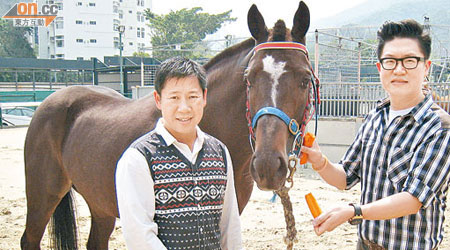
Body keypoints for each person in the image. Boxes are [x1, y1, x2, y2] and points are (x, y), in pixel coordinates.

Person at [301, 19, 450, 250]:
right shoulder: (375, 117)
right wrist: (320, 162)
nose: (399, 70)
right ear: (380, 68)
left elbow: (412, 199)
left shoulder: (439, 127)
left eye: (410, 61)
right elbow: (345, 177)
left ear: (426, 66)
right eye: (390, 61)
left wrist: (354, 211)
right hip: (365, 244)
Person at [115, 57, 242, 250]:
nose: (184, 108)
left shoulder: (220, 153)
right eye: (174, 97)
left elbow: (229, 226)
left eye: (192, 97)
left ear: (204, 97)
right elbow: (139, 237)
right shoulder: (138, 158)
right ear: (158, 100)